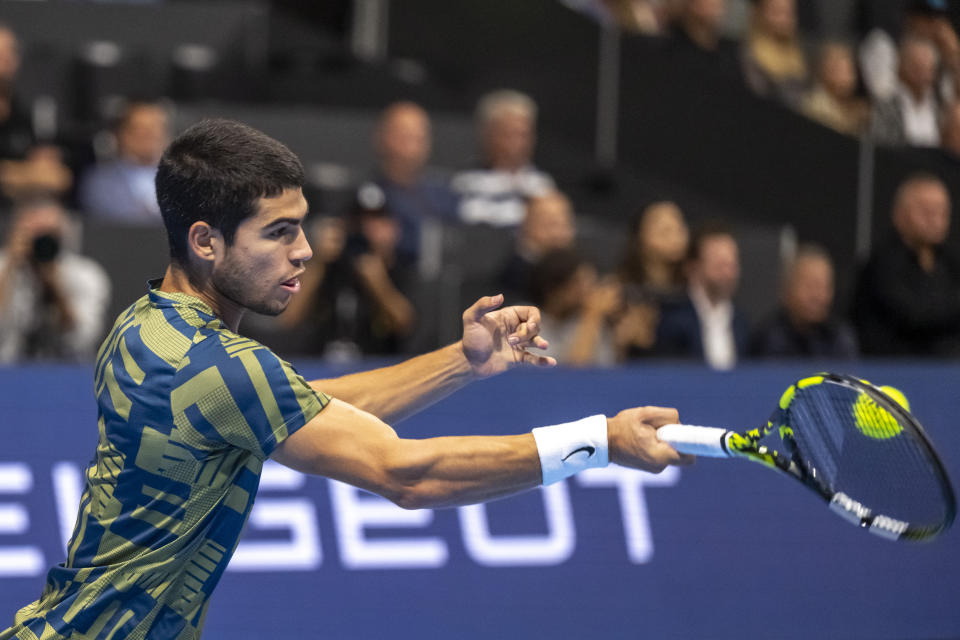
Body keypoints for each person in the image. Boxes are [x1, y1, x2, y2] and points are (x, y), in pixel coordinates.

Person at [1, 119, 692, 640]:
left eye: (301, 228)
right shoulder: (223, 369)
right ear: (206, 241)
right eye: (276, 233)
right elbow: (408, 474)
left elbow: (309, 405)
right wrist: (600, 440)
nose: (303, 252)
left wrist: (463, 360)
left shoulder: (144, 327)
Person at [279, 183, 419, 357]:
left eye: (378, 220)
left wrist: (377, 281)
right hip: (321, 366)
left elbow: (406, 325)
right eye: (361, 220)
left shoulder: (402, 268)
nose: (369, 229)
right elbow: (289, 319)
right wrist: (318, 263)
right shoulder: (330, 266)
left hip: (379, 367)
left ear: (394, 228)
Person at [853, 173, 960, 356]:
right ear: (899, 214)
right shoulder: (882, 262)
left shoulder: (951, 261)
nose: (935, 219)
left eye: (942, 211)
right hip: (893, 371)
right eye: (926, 211)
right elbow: (915, 316)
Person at [0, 198, 110, 362]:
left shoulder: (85, 274)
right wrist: (10, 268)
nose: (39, 244)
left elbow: (83, 339)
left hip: (64, 371)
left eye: (48, 235)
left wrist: (54, 286)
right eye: (33, 235)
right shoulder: (4, 267)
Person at [452, 90, 555, 228]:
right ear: (488, 135)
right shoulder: (464, 182)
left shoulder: (542, 185)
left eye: (523, 135)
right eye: (509, 134)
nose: (518, 144)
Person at [370, 101, 459, 262]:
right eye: (404, 136)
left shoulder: (445, 194)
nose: (411, 146)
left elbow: (458, 245)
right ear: (382, 138)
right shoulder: (366, 195)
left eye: (419, 137)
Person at [655, 222, 748, 369]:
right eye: (719, 265)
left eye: (732, 264)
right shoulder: (671, 322)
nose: (728, 273)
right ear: (693, 267)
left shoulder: (741, 323)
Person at [749, 244, 858, 359]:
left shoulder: (840, 337)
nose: (818, 296)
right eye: (810, 286)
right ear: (787, 289)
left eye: (824, 286)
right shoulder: (768, 339)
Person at [78, 100, 171, 224]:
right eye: (140, 129)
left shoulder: (182, 178)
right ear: (120, 134)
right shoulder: (100, 181)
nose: (150, 135)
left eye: (155, 128)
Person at [617, 201, 690, 359]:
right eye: (665, 230)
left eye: (679, 228)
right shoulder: (621, 292)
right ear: (640, 235)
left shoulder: (694, 290)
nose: (675, 236)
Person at [528, 247, 622, 367]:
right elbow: (572, 375)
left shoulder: (585, 319)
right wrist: (592, 315)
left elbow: (607, 369)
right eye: (578, 283)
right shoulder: (524, 322)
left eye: (591, 282)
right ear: (551, 289)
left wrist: (621, 342)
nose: (588, 291)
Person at [497, 190, 576, 304]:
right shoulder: (514, 276)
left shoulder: (579, 271)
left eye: (565, 224)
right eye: (550, 224)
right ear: (527, 226)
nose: (558, 234)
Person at [872, 35, 945, 147]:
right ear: (901, 66)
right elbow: (881, 146)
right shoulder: (885, 105)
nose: (924, 75)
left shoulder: (940, 106)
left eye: (928, 69)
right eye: (917, 68)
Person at [741, 0, 810, 108]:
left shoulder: (799, 53)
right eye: (778, 12)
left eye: (790, 12)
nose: (786, 18)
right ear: (761, 14)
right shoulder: (751, 55)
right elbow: (759, 99)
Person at [801, 42, 870, 136]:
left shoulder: (852, 106)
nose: (849, 77)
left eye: (850, 70)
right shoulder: (816, 104)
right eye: (841, 70)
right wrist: (851, 122)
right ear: (825, 71)